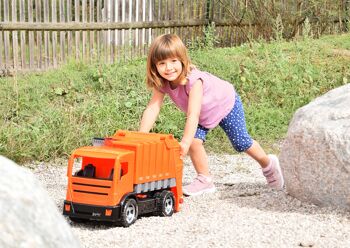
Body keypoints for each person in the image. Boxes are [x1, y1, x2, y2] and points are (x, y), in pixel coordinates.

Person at [139, 34, 284, 196]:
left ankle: (269, 165)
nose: (168, 68)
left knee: (241, 142)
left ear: (182, 60)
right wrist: (140, 137)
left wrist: (184, 143)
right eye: (162, 63)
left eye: (173, 61)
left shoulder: (194, 80)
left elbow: (193, 114)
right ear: (154, 66)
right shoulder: (162, 82)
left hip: (225, 104)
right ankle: (205, 181)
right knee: (195, 142)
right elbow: (153, 108)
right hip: (204, 115)